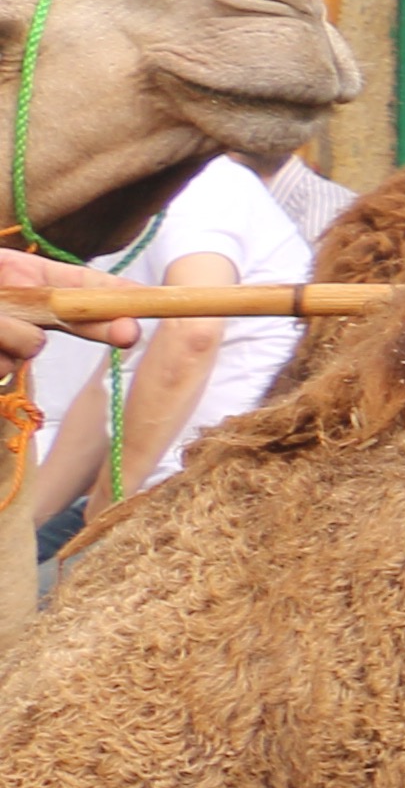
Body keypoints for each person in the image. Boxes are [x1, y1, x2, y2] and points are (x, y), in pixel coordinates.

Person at [23, 141, 312, 571]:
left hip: (206, 503)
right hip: (148, 494)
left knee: (31, 607)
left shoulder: (202, 187)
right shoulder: (140, 210)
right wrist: (23, 526)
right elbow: (108, 391)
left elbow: (193, 332)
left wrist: (111, 501)